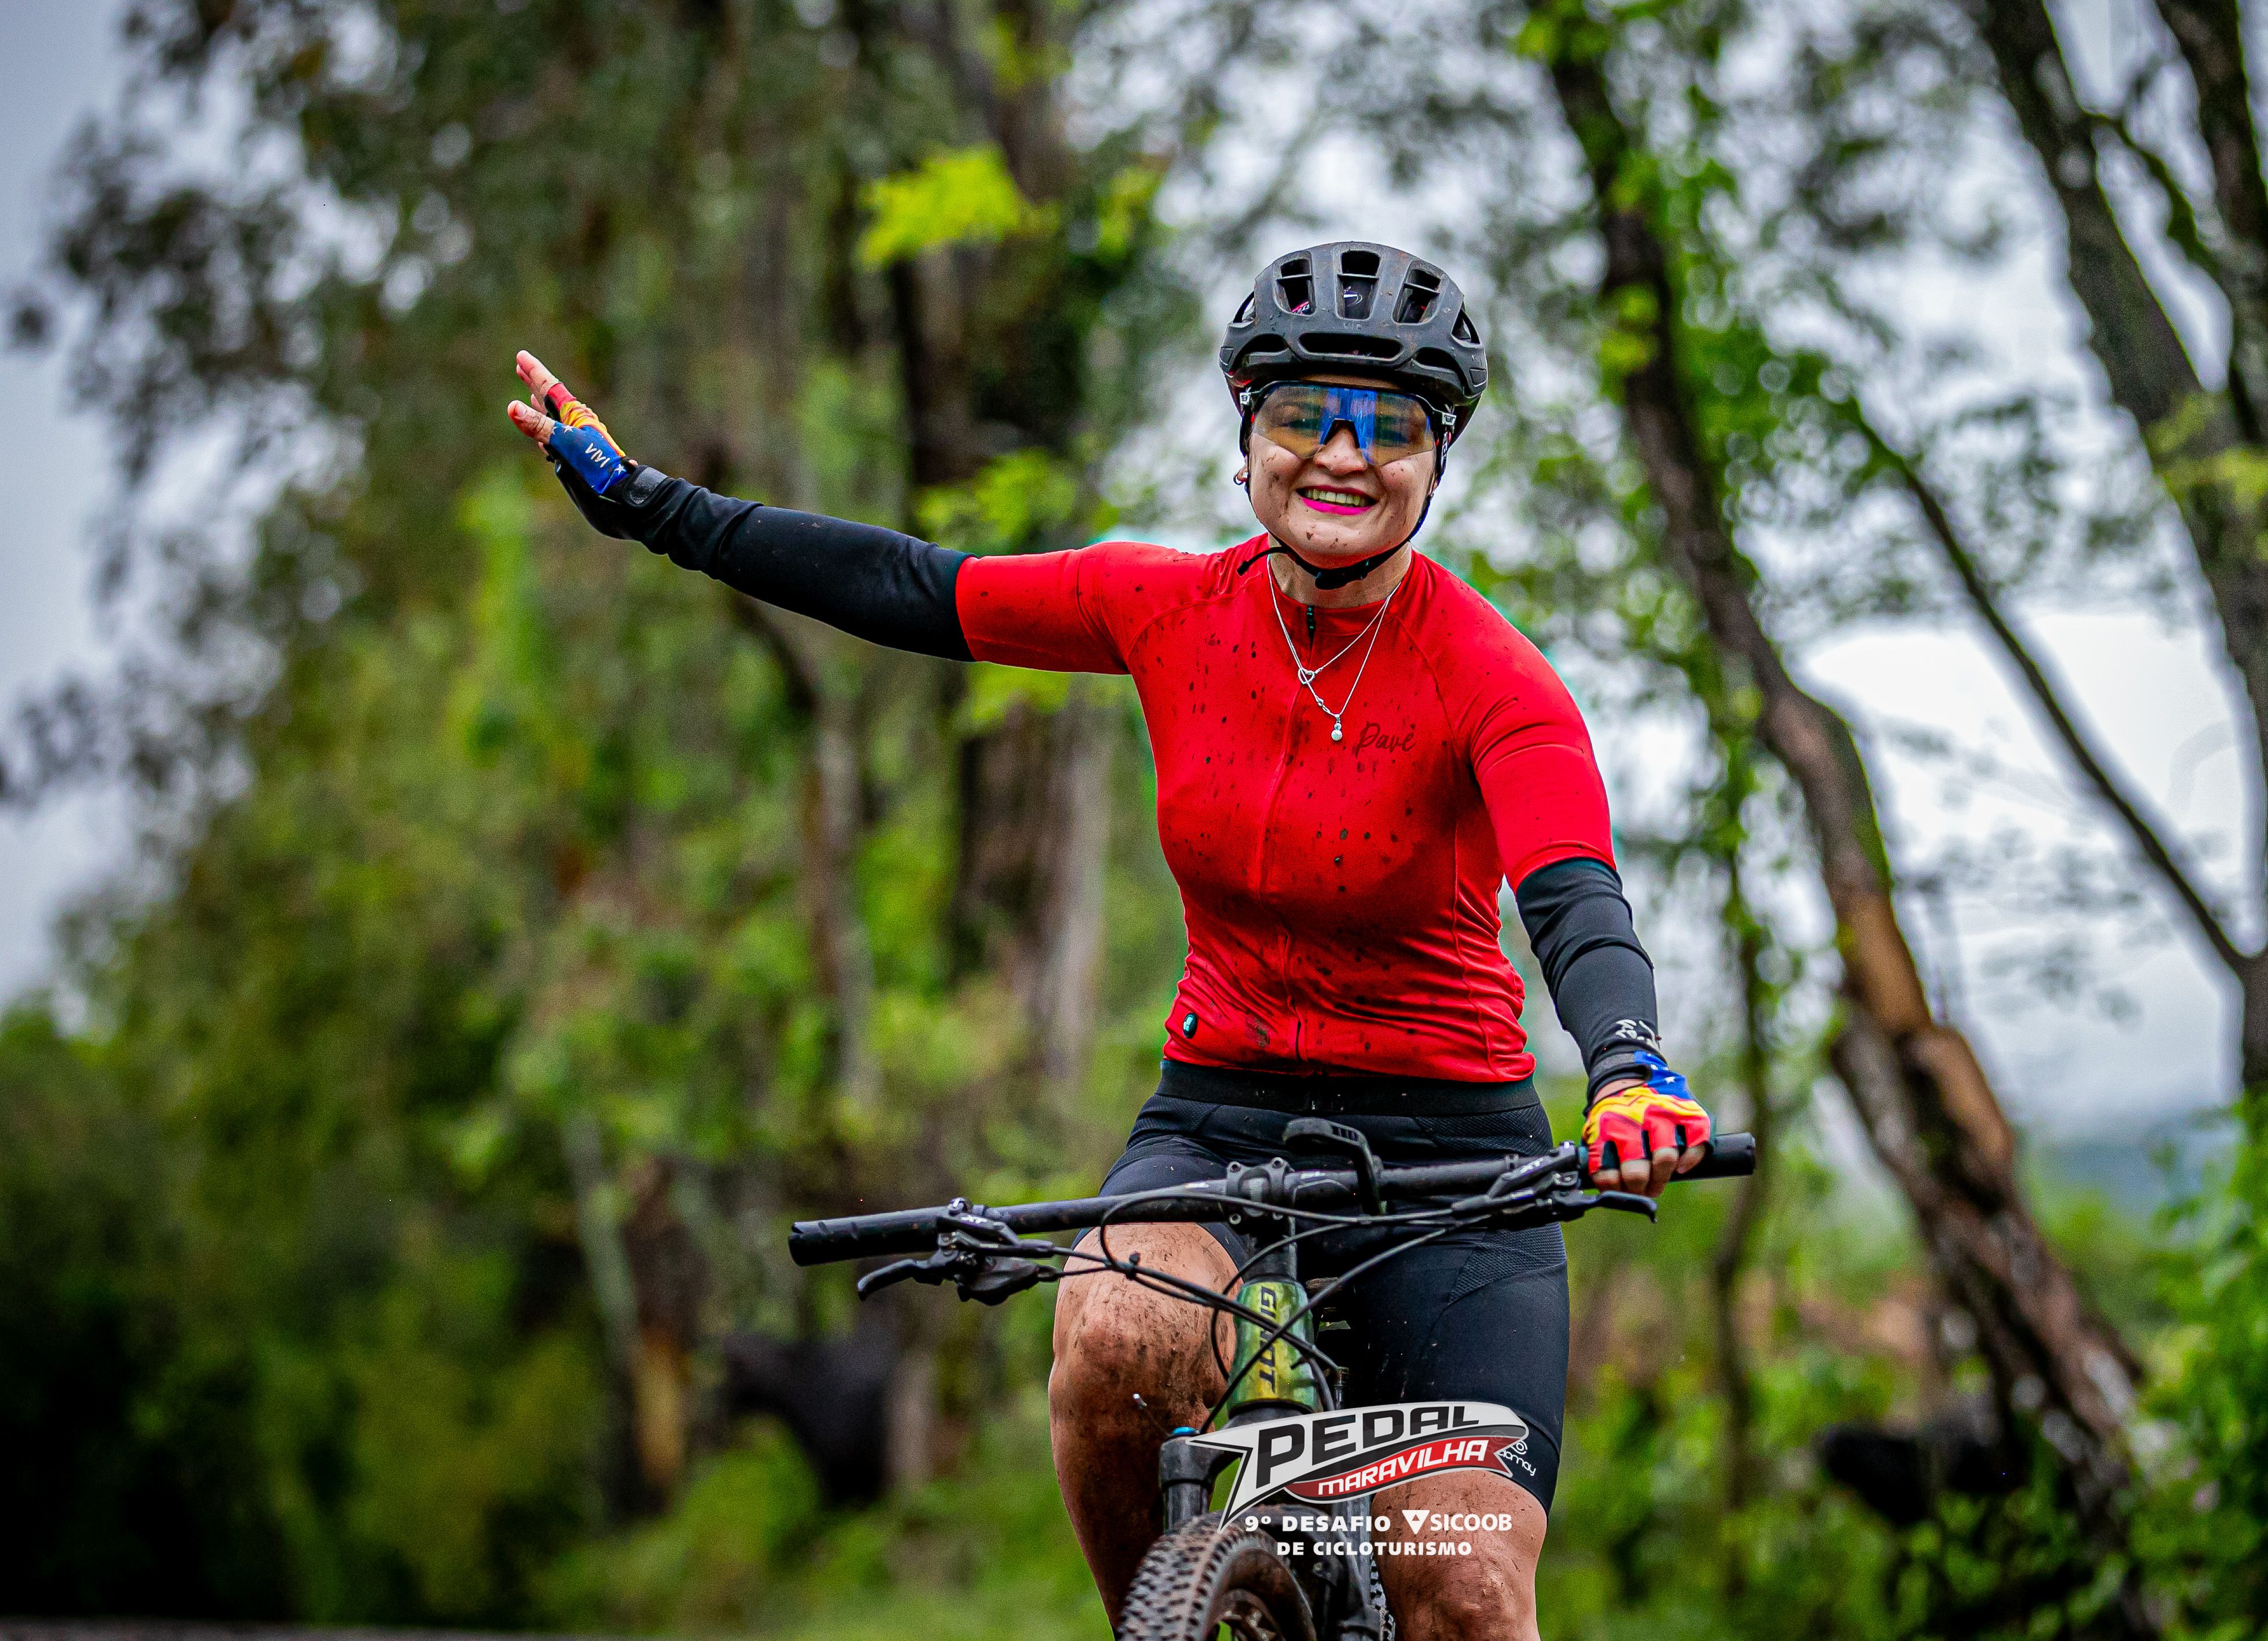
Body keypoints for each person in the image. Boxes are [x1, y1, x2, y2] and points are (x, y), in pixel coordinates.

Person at [507, 240, 1711, 1641]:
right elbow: (909, 584)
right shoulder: (1167, 608)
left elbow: (1576, 898)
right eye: (1303, 415)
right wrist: (650, 507)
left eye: (1389, 426)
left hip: (1454, 1159)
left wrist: (1628, 1068)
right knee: (1113, 1339)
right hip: (1222, 1114)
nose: (1341, 454)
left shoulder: (1497, 681)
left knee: (1469, 1594)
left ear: (1438, 458)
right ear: (1247, 435)